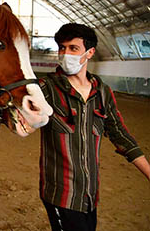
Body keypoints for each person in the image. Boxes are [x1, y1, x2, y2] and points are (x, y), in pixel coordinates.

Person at [39, 23, 150, 231]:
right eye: (61, 48)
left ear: (90, 52)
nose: (65, 54)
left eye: (73, 48)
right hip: (61, 194)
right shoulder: (46, 89)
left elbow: (120, 134)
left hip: (89, 195)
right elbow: (22, 116)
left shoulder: (103, 93)